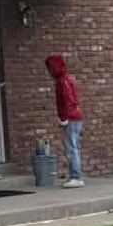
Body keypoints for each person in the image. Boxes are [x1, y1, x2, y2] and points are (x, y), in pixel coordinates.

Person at [46, 53, 85, 187]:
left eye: (50, 68)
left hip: (71, 118)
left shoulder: (63, 81)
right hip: (75, 117)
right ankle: (76, 175)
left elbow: (68, 101)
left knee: (71, 147)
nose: (49, 72)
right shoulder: (66, 79)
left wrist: (64, 119)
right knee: (74, 147)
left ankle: (76, 176)